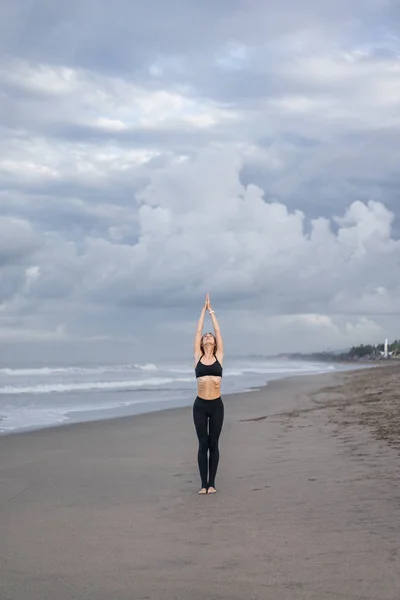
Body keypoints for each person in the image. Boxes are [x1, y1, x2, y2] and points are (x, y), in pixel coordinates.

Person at [193, 293, 224, 494]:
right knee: (202, 443)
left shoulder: (219, 356)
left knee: (214, 443)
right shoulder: (197, 356)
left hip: (217, 406)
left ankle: (211, 483)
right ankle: (202, 485)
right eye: (205, 336)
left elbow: (218, 330)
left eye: (209, 336)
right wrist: (202, 312)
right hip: (200, 406)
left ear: (214, 342)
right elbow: (197, 330)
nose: (207, 336)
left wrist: (211, 310)